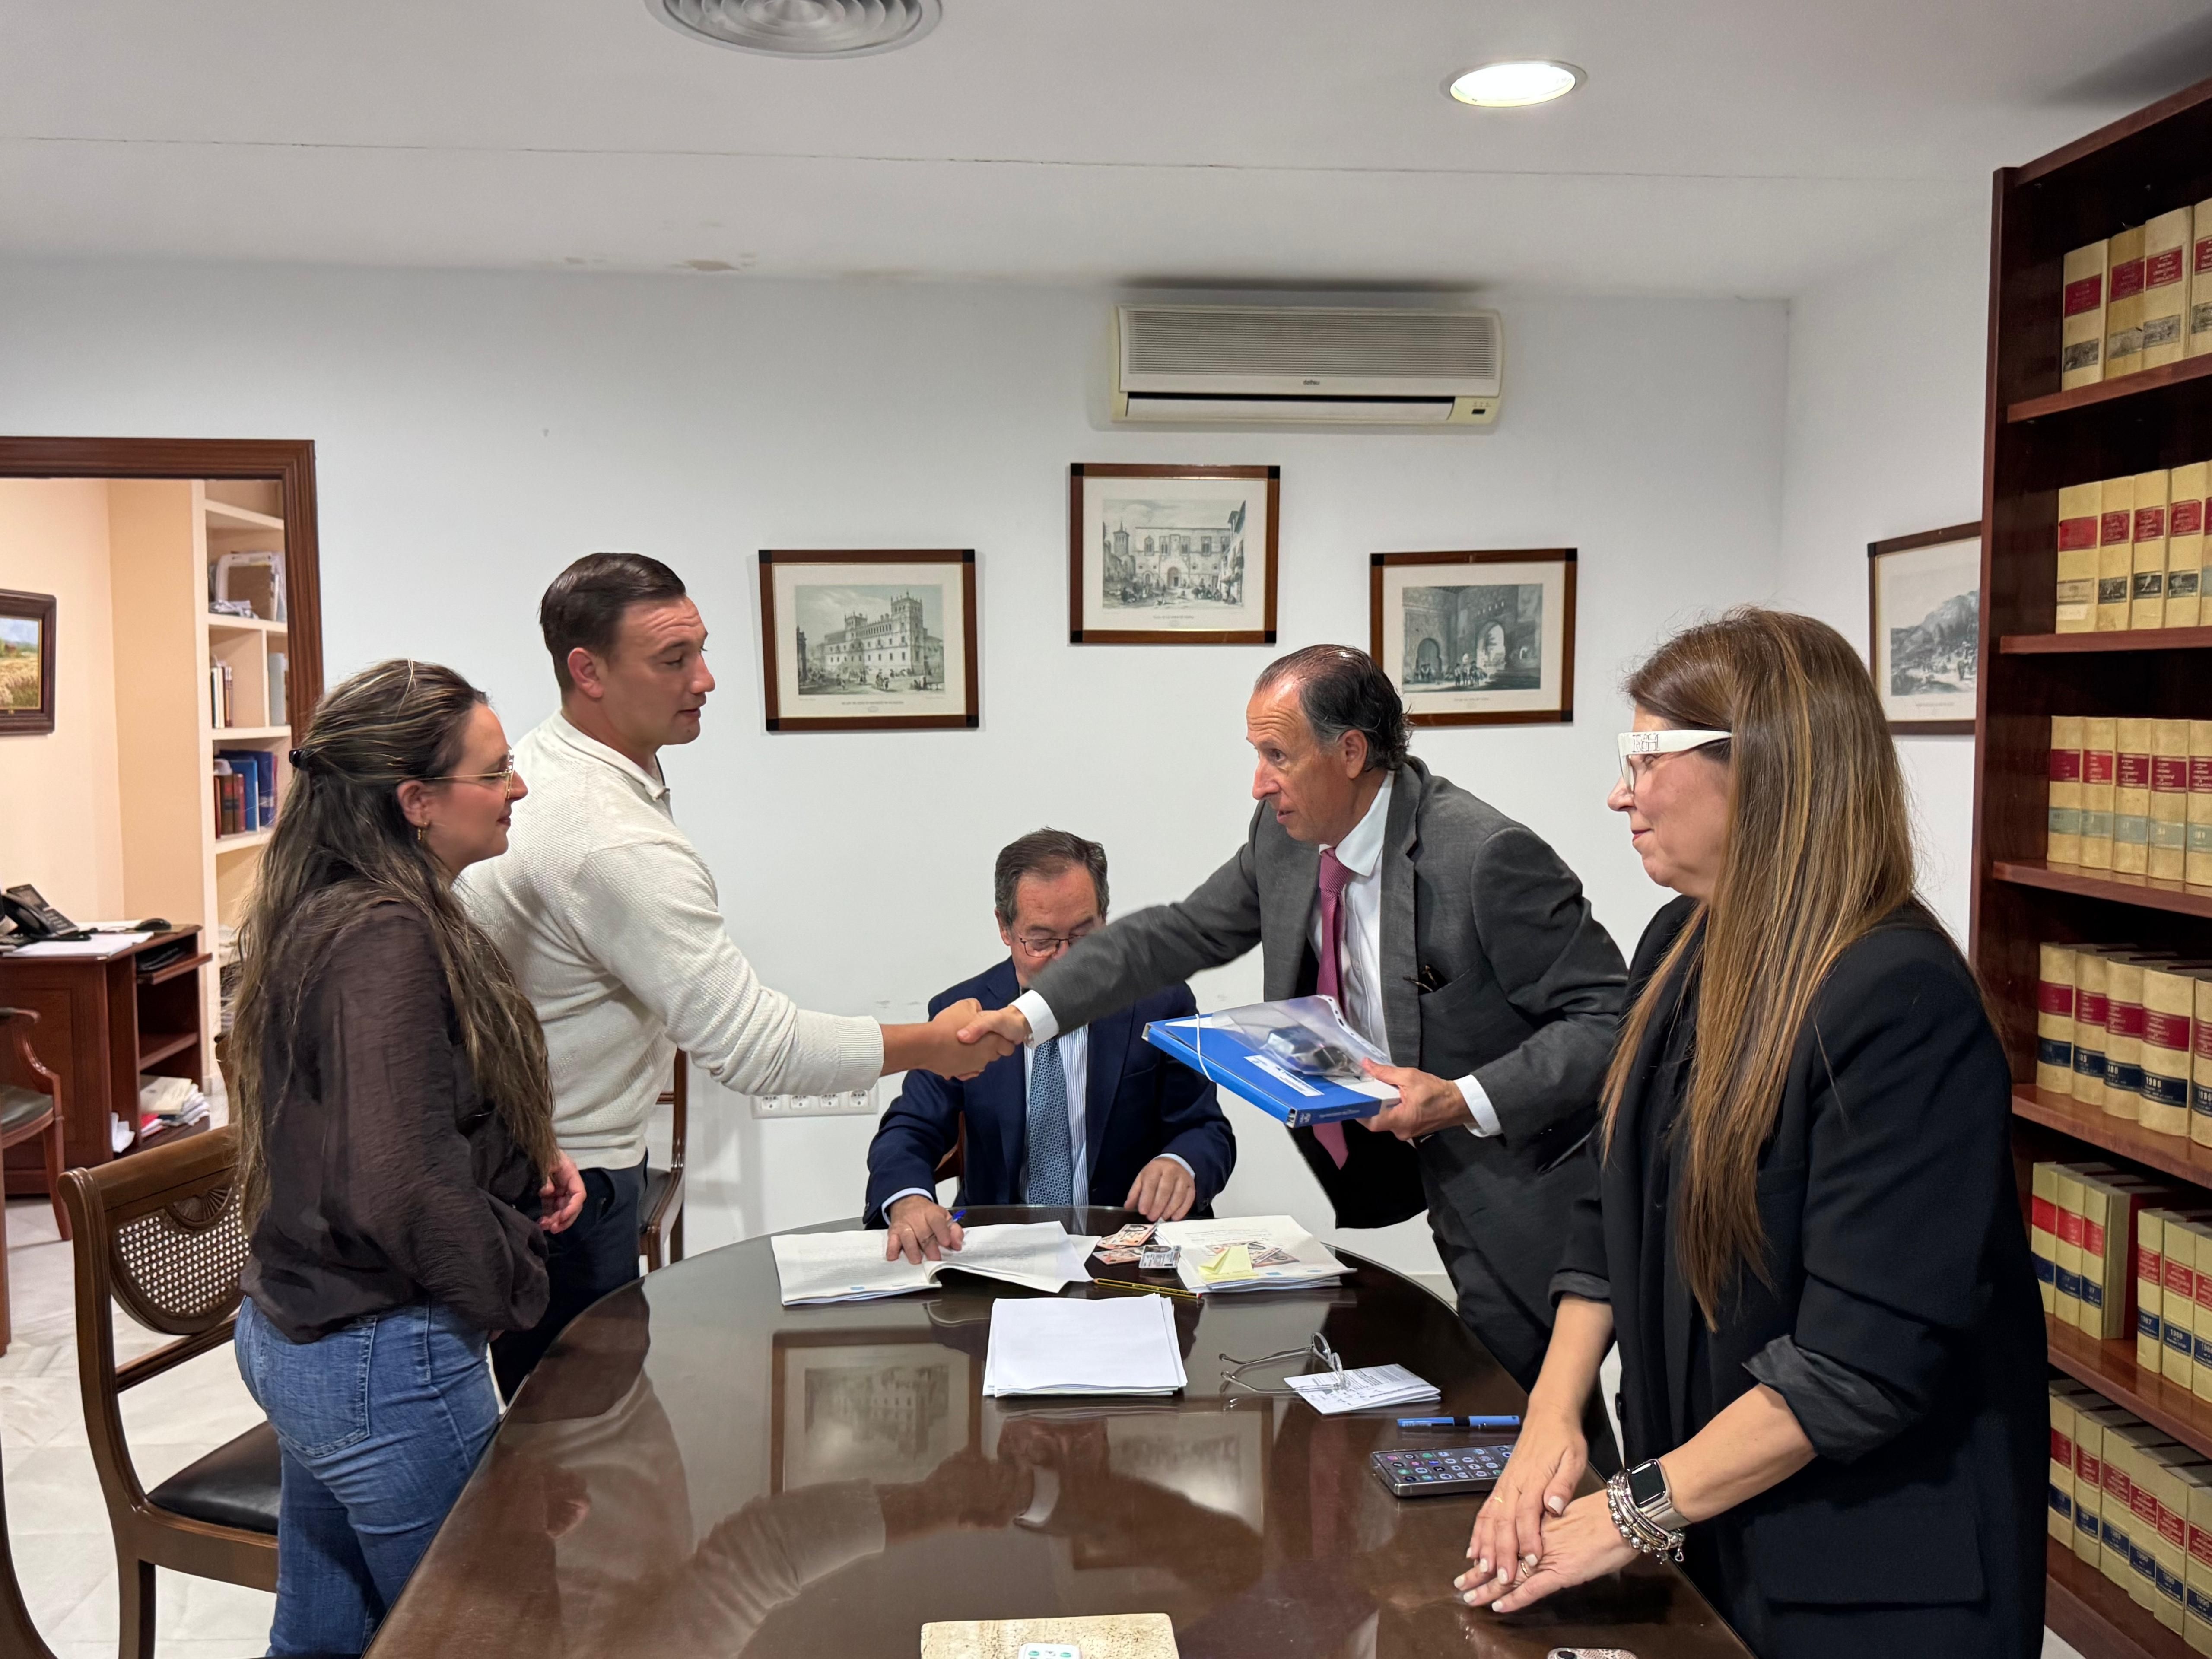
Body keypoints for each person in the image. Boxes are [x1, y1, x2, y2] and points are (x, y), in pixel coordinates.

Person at [1456, 609, 2044, 1659]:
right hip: (1710, 1513)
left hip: (1868, 1576)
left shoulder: (1900, 998)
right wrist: (1552, 1416)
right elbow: (1608, 1197)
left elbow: (1855, 1365)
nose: (1618, 791)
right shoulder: (1679, 937)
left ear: (1766, 770)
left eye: (1644, 756)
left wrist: (1629, 1511)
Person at [959, 646, 1627, 1440]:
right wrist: (1029, 1016)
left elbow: (1610, 1017)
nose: (1259, 782)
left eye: (1277, 756)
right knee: (1489, 1394)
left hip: (1525, 1179)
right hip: (1419, 1161)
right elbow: (1177, 935)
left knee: (1545, 1407)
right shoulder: (1284, 837)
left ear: (1350, 753)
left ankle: (1609, 1556)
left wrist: (1463, 1099)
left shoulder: (1484, 855)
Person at [462, 553, 1013, 1392]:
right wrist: (934, 1046)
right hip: (571, 1185)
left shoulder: (558, 764)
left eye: (702, 650)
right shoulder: (610, 840)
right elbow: (756, 1050)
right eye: (673, 659)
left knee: (584, 1448)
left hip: (537, 1155)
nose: (707, 678)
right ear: (588, 671)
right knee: (586, 1454)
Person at [227, 659, 588, 1657]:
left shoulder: (339, 907)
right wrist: (507, 1282)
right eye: (497, 769)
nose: (518, 787)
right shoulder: (386, 933)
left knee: (324, 1634)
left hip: (305, 1330)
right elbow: (401, 1182)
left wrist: (519, 1144)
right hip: (380, 1354)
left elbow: (371, 1113)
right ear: (417, 802)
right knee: (495, 1632)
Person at [864, 829, 1236, 1259]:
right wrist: (909, 1200)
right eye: (1041, 941)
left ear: (1105, 919)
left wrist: (1181, 1164)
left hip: (1122, 1256)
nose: (1065, 961)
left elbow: (1205, 1129)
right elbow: (909, 1129)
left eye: (1083, 936)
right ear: (1005, 928)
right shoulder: (967, 1012)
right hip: (1001, 1258)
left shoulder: (1159, 1001)